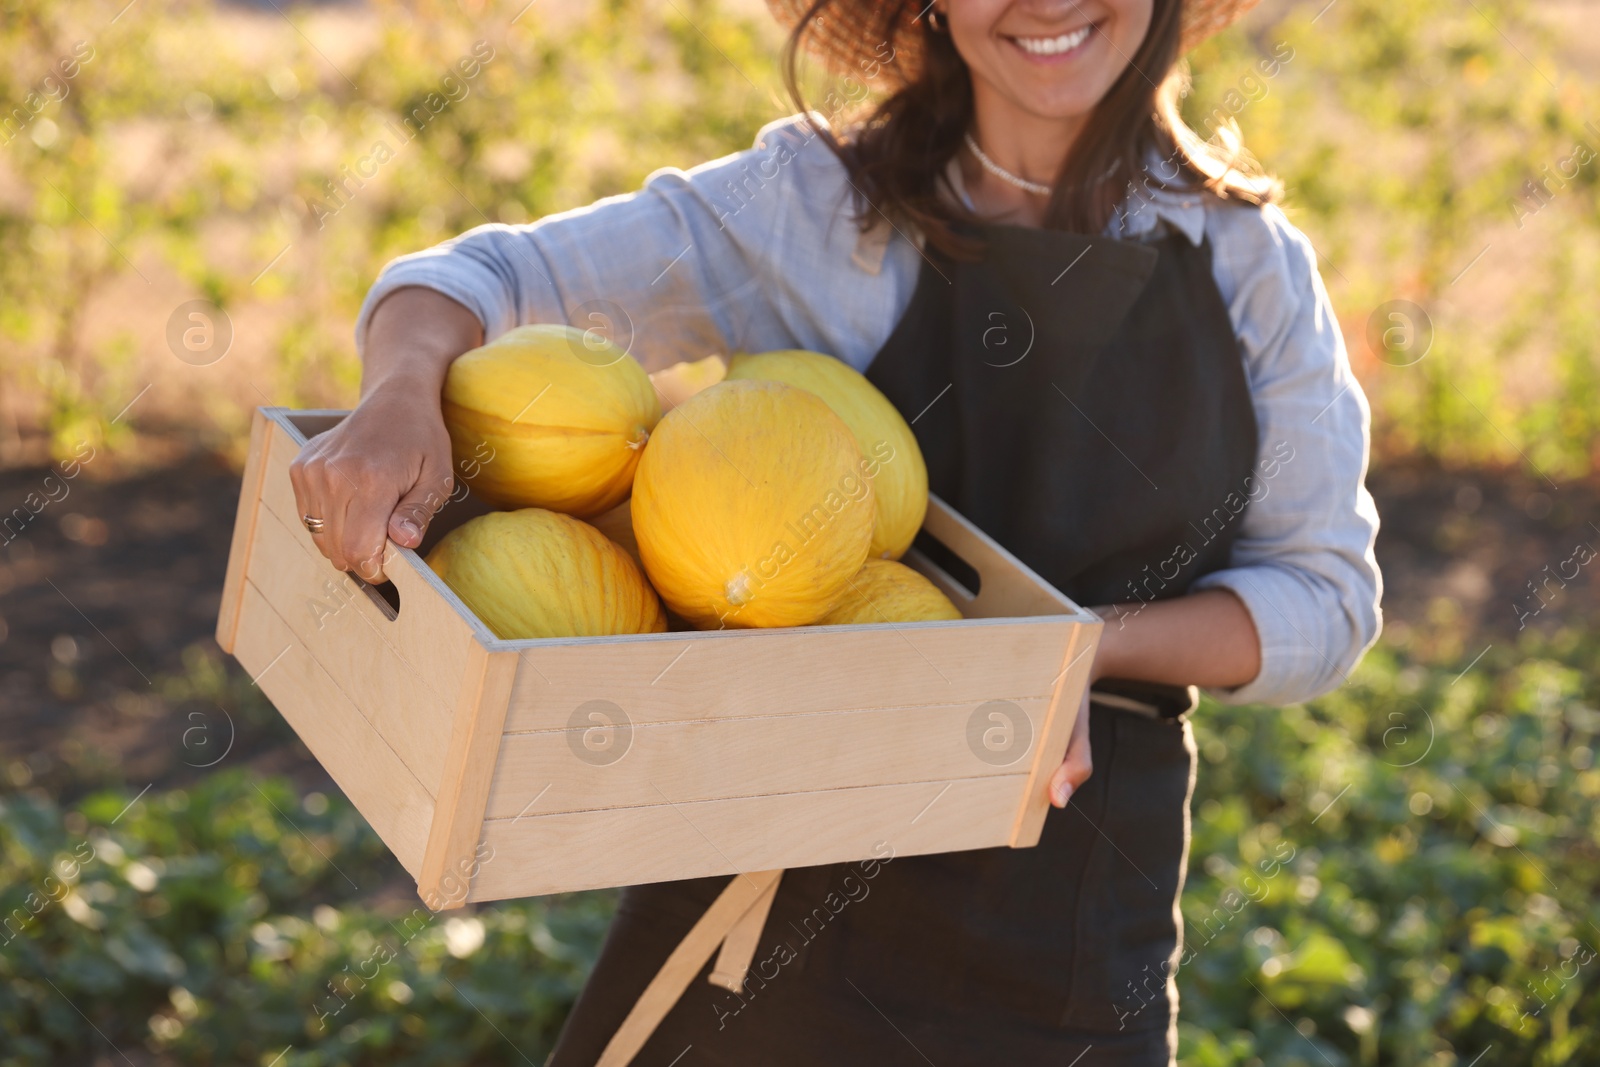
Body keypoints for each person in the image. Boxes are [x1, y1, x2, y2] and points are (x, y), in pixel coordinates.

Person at [290, 0, 1382, 1061]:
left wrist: (1074, 647)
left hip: (1071, 900)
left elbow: (1325, 594)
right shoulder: (814, 204)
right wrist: (396, 395)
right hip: (776, 884)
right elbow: (478, 280)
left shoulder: (1251, 264)